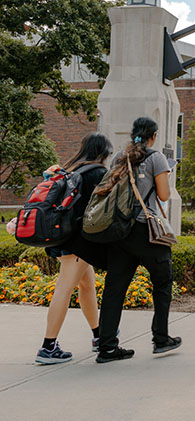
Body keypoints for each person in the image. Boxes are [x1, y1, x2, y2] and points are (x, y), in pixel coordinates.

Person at [96, 117, 181, 363]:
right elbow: (163, 194)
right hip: (147, 231)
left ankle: (107, 347)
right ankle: (161, 338)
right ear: (153, 135)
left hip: (120, 231)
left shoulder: (119, 158)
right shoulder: (156, 158)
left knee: (115, 289)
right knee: (163, 282)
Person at [34, 133, 111, 364]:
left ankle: (98, 336)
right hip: (78, 243)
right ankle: (48, 346)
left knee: (87, 286)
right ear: (102, 153)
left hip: (65, 239)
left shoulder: (72, 169)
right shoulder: (97, 173)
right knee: (64, 289)